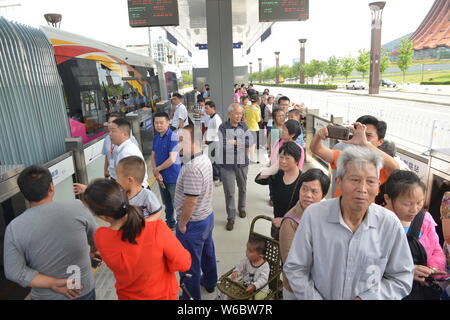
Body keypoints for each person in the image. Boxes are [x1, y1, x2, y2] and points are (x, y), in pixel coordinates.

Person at [284, 146, 414, 300]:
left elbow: (402, 278)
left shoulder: (389, 225)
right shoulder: (314, 216)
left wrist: (367, 298)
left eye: (370, 181)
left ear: (378, 188)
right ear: (338, 182)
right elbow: (295, 268)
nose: (362, 189)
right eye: (355, 180)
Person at [82, 179, 191, 300]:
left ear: (103, 216)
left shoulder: (101, 237)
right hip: (163, 295)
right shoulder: (157, 228)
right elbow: (184, 263)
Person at [4, 166, 98, 300]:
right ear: (51, 187)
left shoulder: (14, 227)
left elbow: (14, 271)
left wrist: (52, 283)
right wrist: (92, 249)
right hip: (83, 289)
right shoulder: (77, 207)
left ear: (24, 194)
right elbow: (97, 239)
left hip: (46, 296)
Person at [384, 170, 447, 300]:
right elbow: (367, 261)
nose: (414, 209)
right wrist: (406, 271)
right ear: (388, 199)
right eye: (407, 204)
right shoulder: (376, 223)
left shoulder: (425, 219)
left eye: (419, 202)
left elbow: (436, 249)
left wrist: (432, 270)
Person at [175, 124, 218, 300]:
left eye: (180, 140)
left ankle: (190, 298)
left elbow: (190, 201)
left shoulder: (192, 167)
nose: (177, 144)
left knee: (188, 264)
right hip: (206, 216)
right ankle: (210, 281)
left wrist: (183, 223)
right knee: (208, 252)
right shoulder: (203, 158)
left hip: (193, 223)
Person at [311, 121, 399, 198]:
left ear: (380, 141)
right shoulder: (345, 157)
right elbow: (317, 149)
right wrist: (319, 135)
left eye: (368, 136)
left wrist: (365, 144)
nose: (363, 138)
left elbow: (395, 168)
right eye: (360, 135)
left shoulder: (382, 165)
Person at [279, 169, 330, 300]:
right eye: (304, 189)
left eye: (314, 191)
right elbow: (291, 265)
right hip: (296, 290)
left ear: (323, 194)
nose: (307, 195)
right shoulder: (290, 222)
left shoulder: (327, 214)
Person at [255, 142, 302, 240]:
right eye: (281, 157)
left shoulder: (303, 180)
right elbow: (258, 179)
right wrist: (275, 166)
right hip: (277, 225)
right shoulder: (277, 175)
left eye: (287, 158)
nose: (283, 161)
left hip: (295, 228)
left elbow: (305, 209)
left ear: (296, 160)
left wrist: (285, 220)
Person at [216, 104, 252, 231]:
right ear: (229, 114)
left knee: (242, 188)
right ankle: (231, 217)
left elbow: (250, 142)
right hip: (227, 165)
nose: (239, 116)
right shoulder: (222, 127)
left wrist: (236, 142)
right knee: (230, 192)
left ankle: (241, 208)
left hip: (242, 164)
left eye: (241, 114)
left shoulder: (244, 126)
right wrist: (241, 143)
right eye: (236, 113)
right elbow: (225, 145)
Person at [151, 112, 181, 230]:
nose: (158, 125)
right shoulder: (156, 137)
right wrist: (156, 172)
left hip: (172, 176)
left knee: (177, 203)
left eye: (161, 122)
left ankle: (181, 225)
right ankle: (170, 223)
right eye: (156, 123)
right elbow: (153, 156)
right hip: (160, 176)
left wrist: (157, 169)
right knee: (167, 203)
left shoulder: (173, 137)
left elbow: (172, 159)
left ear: (168, 123)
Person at [218, 236, 270, 300]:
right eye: (247, 249)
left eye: (250, 251)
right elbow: (240, 267)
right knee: (231, 290)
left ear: (260, 255)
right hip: (244, 284)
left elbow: (263, 279)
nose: (246, 252)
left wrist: (254, 286)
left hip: (260, 290)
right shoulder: (247, 259)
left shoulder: (265, 266)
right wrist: (236, 272)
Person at [116, 156, 162, 221]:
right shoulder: (122, 195)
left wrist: (144, 223)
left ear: (130, 180)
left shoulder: (147, 195)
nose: (116, 180)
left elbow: (157, 212)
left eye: (118, 177)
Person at [107, 118, 149, 188]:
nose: (110, 134)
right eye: (109, 131)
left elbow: (129, 181)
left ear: (124, 134)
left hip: (136, 192)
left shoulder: (126, 152)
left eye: (113, 131)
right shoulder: (124, 148)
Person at [101, 113, 138, 179]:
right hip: (113, 175)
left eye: (113, 122)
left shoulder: (129, 139)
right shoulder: (107, 138)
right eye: (109, 122)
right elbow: (107, 154)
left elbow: (135, 160)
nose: (110, 125)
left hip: (124, 177)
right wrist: (105, 169)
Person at [204, 100, 223, 186]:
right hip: (212, 142)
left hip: (215, 142)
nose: (206, 110)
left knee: (217, 161)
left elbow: (218, 132)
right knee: (213, 161)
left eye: (207, 108)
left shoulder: (216, 118)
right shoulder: (211, 118)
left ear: (213, 108)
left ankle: (220, 179)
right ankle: (215, 177)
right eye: (205, 108)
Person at [244, 95, 262, 163]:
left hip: (247, 128)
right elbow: (258, 120)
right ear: (257, 101)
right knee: (253, 144)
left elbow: (245, 117)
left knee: (247, 144)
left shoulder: (246, 107)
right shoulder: (256, 109)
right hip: (254, 128)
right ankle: (251, 158)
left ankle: (247, 157)